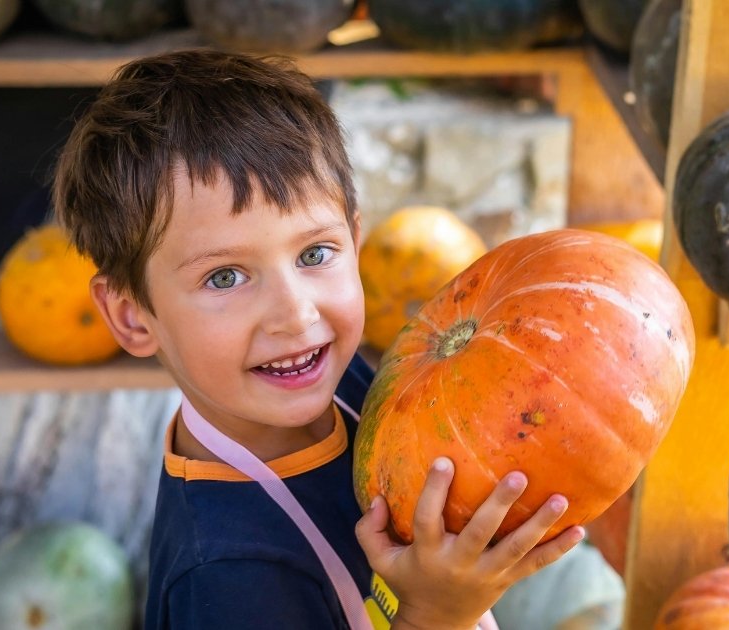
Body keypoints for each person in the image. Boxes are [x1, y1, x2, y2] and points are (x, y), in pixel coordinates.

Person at [52, 49, 586, 630]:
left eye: (314, 254)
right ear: (133, 317)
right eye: (225, 277)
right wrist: (437, 614)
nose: (295, 313)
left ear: (356, 244)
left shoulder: (341, 378)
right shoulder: (230, 578)